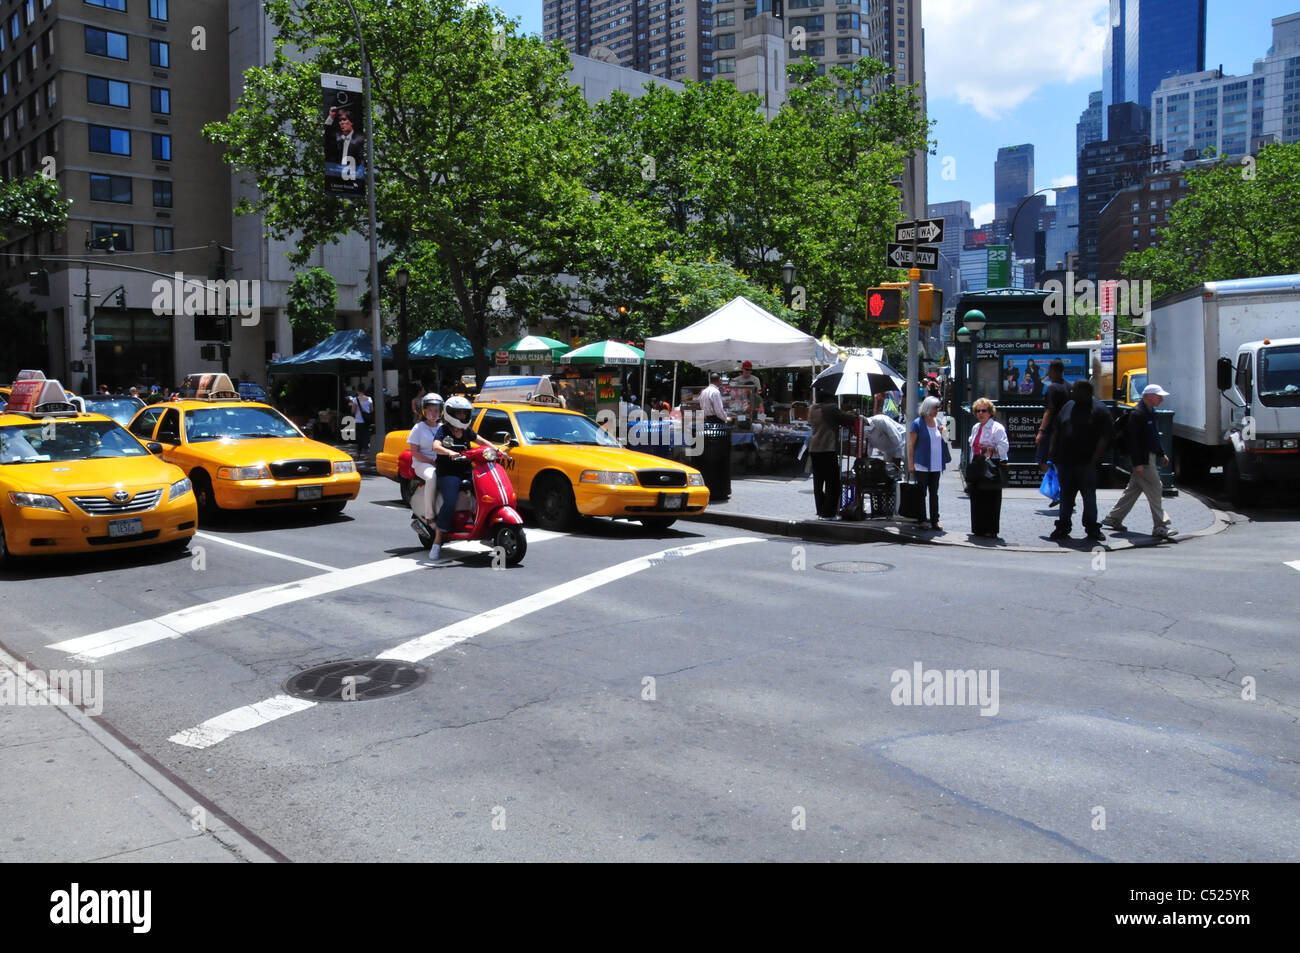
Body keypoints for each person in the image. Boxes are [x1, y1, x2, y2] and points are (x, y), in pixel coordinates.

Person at [1103, 384, 1176, 538]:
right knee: (1156, 486)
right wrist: (1138, 463)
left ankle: (1113, 518)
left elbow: (1153, 437)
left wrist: (1161, 453)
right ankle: (1160, 526)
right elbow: (1134, 441)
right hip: (1142, 458)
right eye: (1159, 396)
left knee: (1133, 489)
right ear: (1149, 396)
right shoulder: (1138, 414)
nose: (1161, 399)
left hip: (1145, 457)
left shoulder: (1149, 412)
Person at [428, 395, 492, 562]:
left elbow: (480, 439)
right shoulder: (443, 430)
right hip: (448, 471)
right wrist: (450, 452)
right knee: (450, 501)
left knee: (485, 491)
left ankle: (484, 528)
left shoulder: (465, 431)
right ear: (451, 414)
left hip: (465, 469)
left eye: (465, 413)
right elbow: (435, 446)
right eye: (459, 413)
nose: (463, 416)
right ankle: (437, 541)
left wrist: (497, 449)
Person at [1049, 379, 1113, 542]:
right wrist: (1052, 452)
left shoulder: (1100, 410)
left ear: (1086, 392)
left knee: (1089, 497)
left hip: (1087, 464)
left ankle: (1092, 528)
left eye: (1075, 390)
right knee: (1066, 497)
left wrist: (1094, 460)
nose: (1071, 392)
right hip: (1065, 462)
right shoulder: (1068, 406)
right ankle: (1063, 527)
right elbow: (1057, 429)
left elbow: (1105, 438)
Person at [967, 397, 1009, 538]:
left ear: (990, 412)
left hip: (991, 465)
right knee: (977, 497)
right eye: (977, 411)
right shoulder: (975, 427)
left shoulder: (997, 428)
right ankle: (978, 528)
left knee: (991, 498)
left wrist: (990, 448)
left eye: (983, 411)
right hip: (977, 464)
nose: (980, 413)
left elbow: (1004, 447)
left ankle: (991, 529)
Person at [907, 395, 951, 531]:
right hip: (922, 464)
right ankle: (921, 519)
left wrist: (944, 433)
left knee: (934, 493)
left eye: (938, 407)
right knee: (921, 493)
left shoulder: (938, 422)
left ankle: (935, 519)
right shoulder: (917, 423)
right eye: (935, 407)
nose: (937, 410)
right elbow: (911, 445)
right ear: (927, 408)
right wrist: (911, 464)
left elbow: (945, 440)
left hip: (936, 464)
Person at [408, 392, 445, 543]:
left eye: (436, 410)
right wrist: (431, 461)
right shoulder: (419, 428)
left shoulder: (443, 428)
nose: (433, 413)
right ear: (424, 411)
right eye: (430, 410)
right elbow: (414, 452)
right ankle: (430, 516)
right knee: (432, 476)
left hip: (440, 463)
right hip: (422, 464)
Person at [810, 388, 850, 519]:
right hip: (827, 448)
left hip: (814, 449)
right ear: (830, 398)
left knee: (818, 482)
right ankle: (828, 513)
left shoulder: (812, 408)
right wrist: (853, 415)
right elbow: (844, 418)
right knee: (832, 483)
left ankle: (820, 510)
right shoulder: (830, 408)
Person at [1035, 358, 1069, 505]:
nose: (1048, 372)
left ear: (1053, 371)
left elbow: (1049, 410)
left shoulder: (1052, 388)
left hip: (1051, 431)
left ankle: (1059, 490)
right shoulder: (1069, 386)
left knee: (1042, 460)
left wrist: (1041, 431)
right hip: (1066, 431)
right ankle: (1063, 491)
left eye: (1049, 370)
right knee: (1060, 461)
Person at [348, 385, 373, 457]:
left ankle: (358, 453)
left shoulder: (355, 399)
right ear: (364, 390)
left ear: (358, 390)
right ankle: (367, 453)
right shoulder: (369, 399)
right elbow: (371, 410)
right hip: (367, 421)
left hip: (358, 420)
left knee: (359, 437)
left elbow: (353, 411)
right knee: (366, 436)